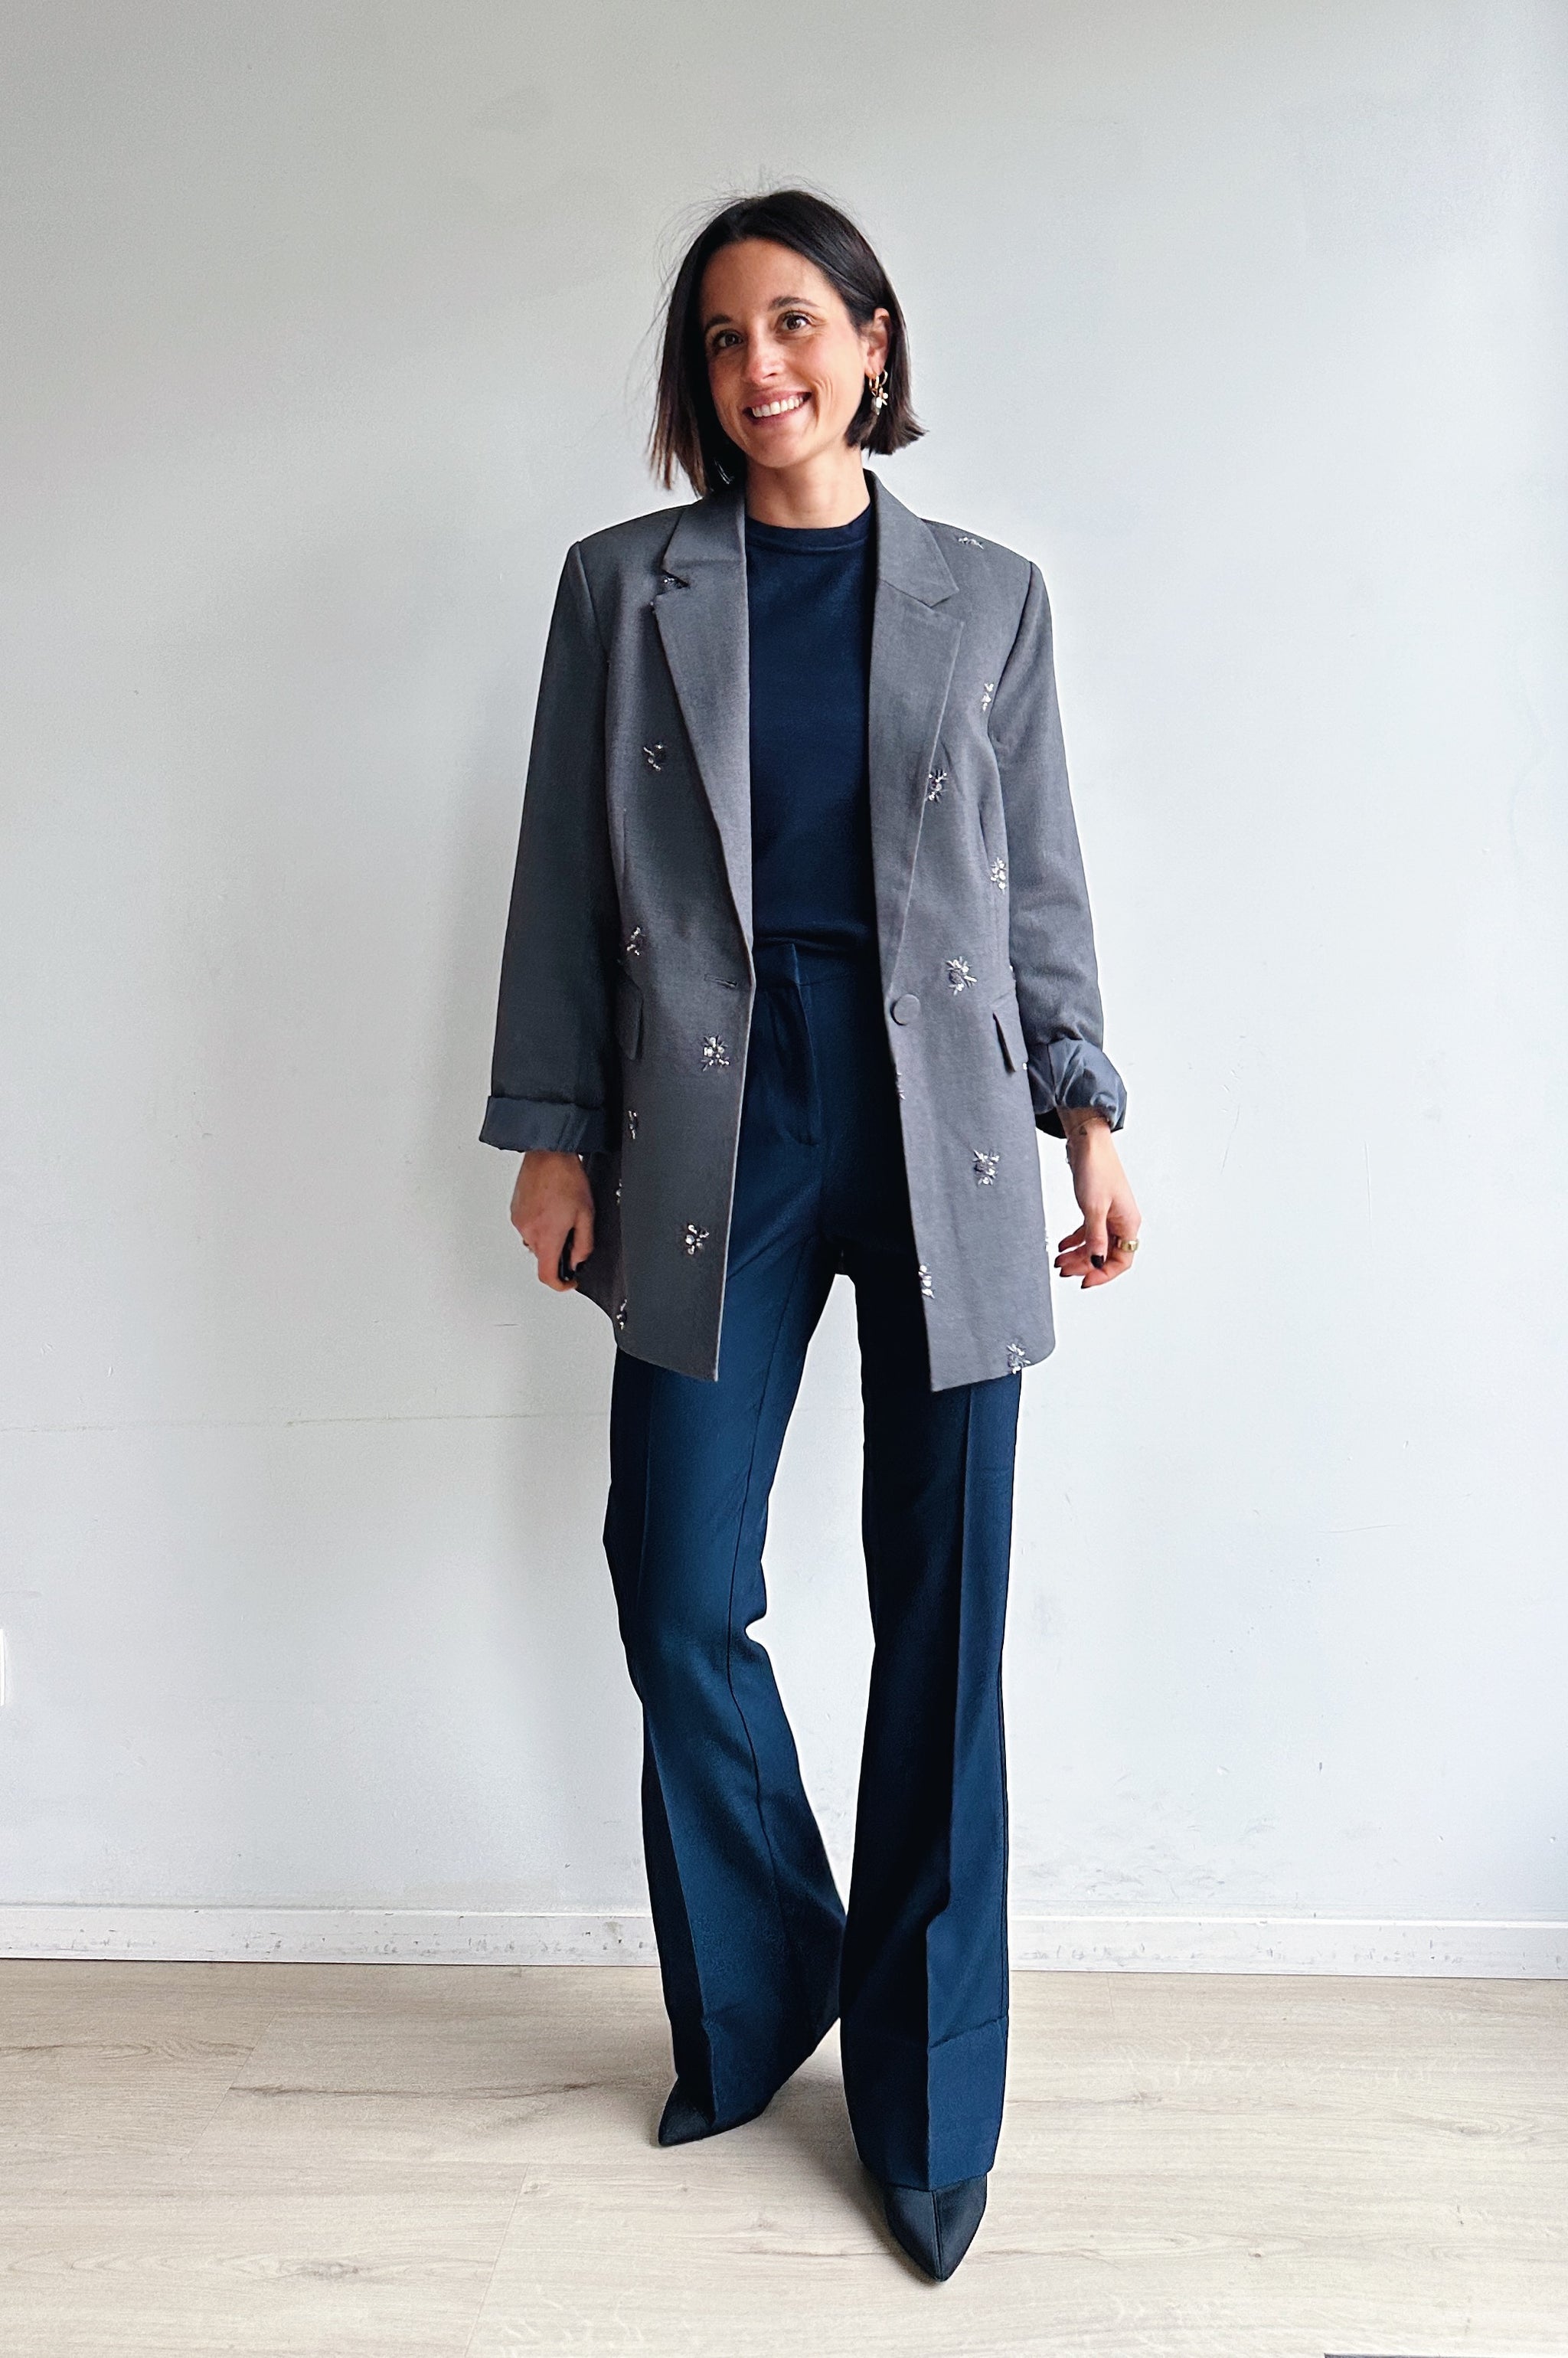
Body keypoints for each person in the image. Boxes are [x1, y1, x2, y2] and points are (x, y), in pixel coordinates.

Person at [480, 188, 1139, 2281]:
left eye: (791, 324)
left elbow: (1038, 882)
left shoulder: (991, 599)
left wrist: (1087, 1108)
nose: (756, 367)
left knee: (945, 1623)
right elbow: (561, 876)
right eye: (719, 339)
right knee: (677, 1580)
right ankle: (776, 1988)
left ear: (871, 340)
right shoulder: (624, 586)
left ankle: (931, 2110)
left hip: (947, 1126)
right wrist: (552, 1133)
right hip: (712, 1120)